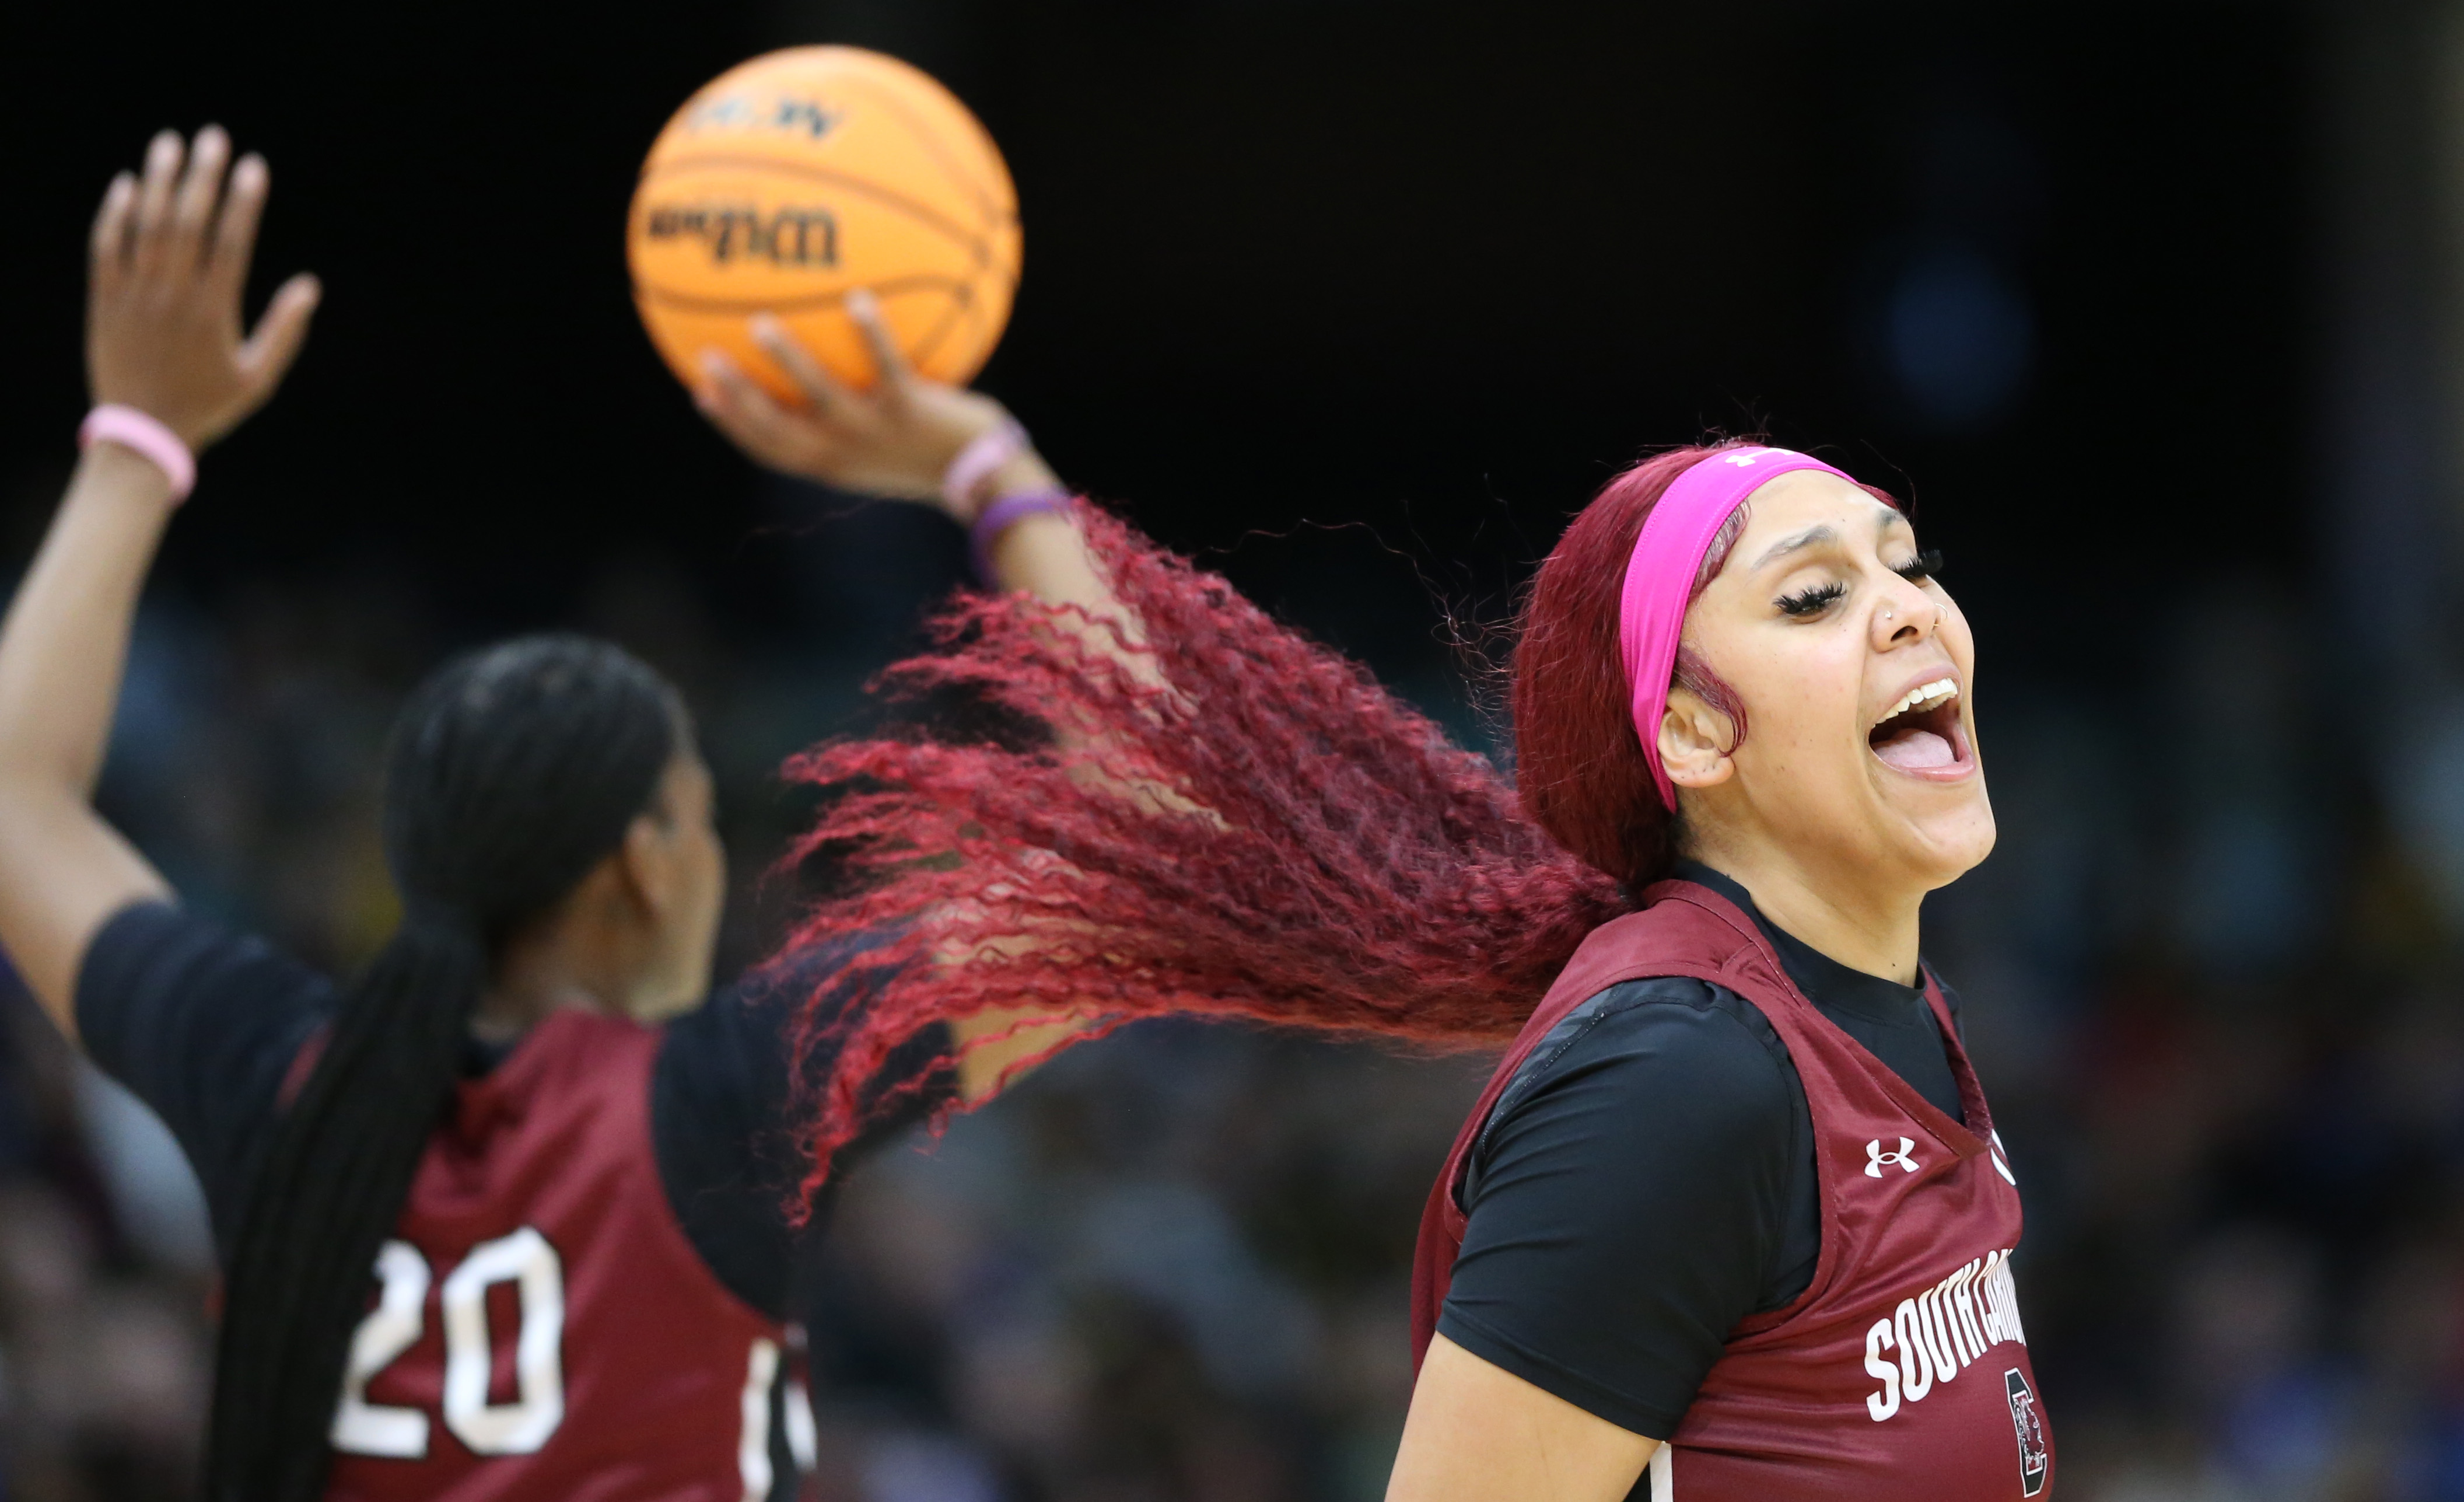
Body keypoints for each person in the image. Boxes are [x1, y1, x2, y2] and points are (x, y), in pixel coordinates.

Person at [0, 126, 1104, 1502]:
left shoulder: (272, 1072)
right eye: (702, 816)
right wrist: (986, 462)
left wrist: (136, 441)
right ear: (646, 864)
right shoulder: (728, 1097)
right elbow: (1150, 836)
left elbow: (17, 801)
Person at [764, 411, 2049, 1492]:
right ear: (1696, 732)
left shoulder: (1873, 1001)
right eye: (1816, 595)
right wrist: (988, 472)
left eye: (1911, 562)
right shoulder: (1683, 1080)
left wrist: (992, 463)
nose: (1907, 611)